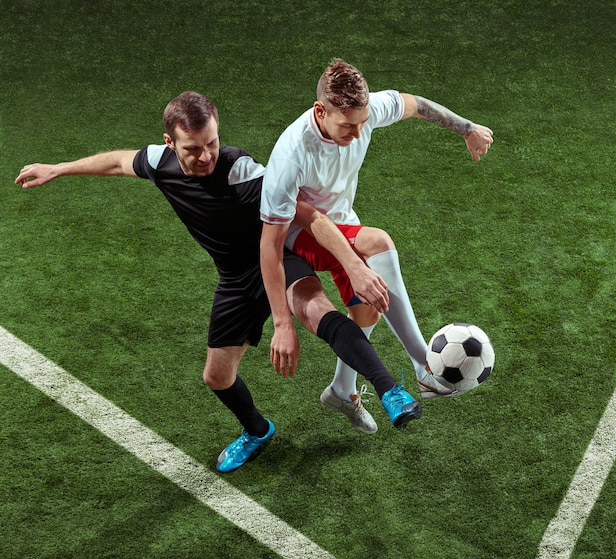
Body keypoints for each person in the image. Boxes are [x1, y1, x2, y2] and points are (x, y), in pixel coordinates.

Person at [15, 91, 423, 473]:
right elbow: (119, 161)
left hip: (278, 258)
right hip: (235, 277)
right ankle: (257, 429)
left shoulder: (241, 171)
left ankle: (391, 392)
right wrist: (59, 168)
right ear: (170, 144)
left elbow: (309, 217)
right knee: (217, 376)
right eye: (193, 148)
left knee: (317, 311)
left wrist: (350, 266)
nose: (206, 155)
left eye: (212, 142)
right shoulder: (160, 164)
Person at [260, 58, 493, 431]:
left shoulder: (363, 114)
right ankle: (423, 365)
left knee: (367, 310)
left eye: (364, 122)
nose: (358, 132)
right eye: (348, 125)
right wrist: (281, 323)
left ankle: (341, 389)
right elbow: (269, 246)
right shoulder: (291, 157)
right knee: (378, 242)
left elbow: (415, 104)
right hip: (297, 235)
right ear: (320, 111)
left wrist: (467, 129)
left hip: (341, 225)